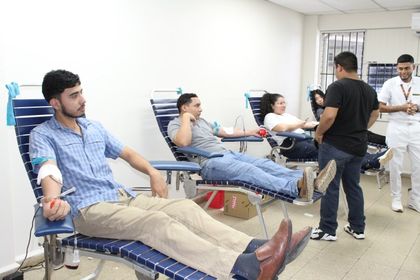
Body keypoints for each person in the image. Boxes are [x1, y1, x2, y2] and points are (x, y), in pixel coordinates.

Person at [30, 70, 313, 280]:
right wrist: (54, 202)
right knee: (156, 222)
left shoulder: (93, 127)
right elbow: (48, 170)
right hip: (89, 210)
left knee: (183, 207)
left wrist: (153, 172)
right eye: (74, 95)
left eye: (81, 92)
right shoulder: (43, 134)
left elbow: (128, 153)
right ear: (55, 103)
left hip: (121, 198)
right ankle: (245, 267)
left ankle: (259, 247)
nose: (82, 99)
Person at [167, 93, 337, 203]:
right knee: (250, 171)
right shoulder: (175, 124)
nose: (201, 109)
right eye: (196, 106)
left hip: (227, 155)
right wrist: (185, 119)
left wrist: (250, 131)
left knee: (265, 165)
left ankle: (310, 181)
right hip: (209, 163)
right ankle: (296, 188)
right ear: (184, 107)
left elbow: (224, 131)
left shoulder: (202, 122)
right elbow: (183, 142)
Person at [310, 51, 380, 241]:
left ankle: (327, 229)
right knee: (353, 186)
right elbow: (375, 114)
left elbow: (329, 115)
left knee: (329, 186)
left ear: (339, 67)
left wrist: (318, 133)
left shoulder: (337, 86)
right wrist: (361, 128)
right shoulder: (369, 89)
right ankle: (358, 228)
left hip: (335, 145)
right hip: (358, 147)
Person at [260, 92, 392, 172]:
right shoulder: (270, 117)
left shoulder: (287, 115)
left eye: (284, 102)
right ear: (272, 105)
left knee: (338, 145)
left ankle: (372, 159)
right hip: (291, 146)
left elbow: (306, 124)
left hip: (304, 141)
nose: (284, 105)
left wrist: (322, 124)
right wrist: (302, 123)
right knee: (331, 150)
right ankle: (370, 161)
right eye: (280, 103)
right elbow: (283, 129)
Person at [378, 54, 420, 214]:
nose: (403, 71)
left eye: (407, 68)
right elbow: (380, 107)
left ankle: (415, 200)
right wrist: (401, 107)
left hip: (416, 127)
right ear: (397, 68)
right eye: (400, 68)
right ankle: (396, 199)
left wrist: (416, 107)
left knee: (418, 166)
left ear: (413, 67)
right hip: (397, 127)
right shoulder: (390, 84)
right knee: (396, 166)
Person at [310, 89, 387, 146]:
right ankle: (388, 142)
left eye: (320, 97)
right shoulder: (320, 111)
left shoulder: (330, 106)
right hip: (343, 132)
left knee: (367, 134)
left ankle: (388, 141)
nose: (319, 100)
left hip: (349, 128)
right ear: (314, 102)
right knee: (367, 136)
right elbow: (326, 121)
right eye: (316, 99)